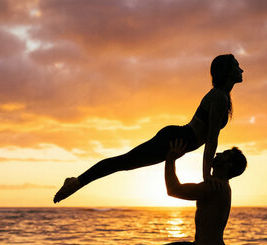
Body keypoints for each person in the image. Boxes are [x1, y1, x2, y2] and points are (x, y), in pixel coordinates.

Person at [53, 54, 244, 203]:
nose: (241, 69)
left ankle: (76, 181)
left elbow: (210, 139)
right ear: (226, 71)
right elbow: (211, 139)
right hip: (174, 139)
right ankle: (75, 183)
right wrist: (206, 176)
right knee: (123, 163)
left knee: (124, 163)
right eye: (236, 66)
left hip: (177, 139)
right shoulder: (218, 97)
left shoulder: (222, 97)